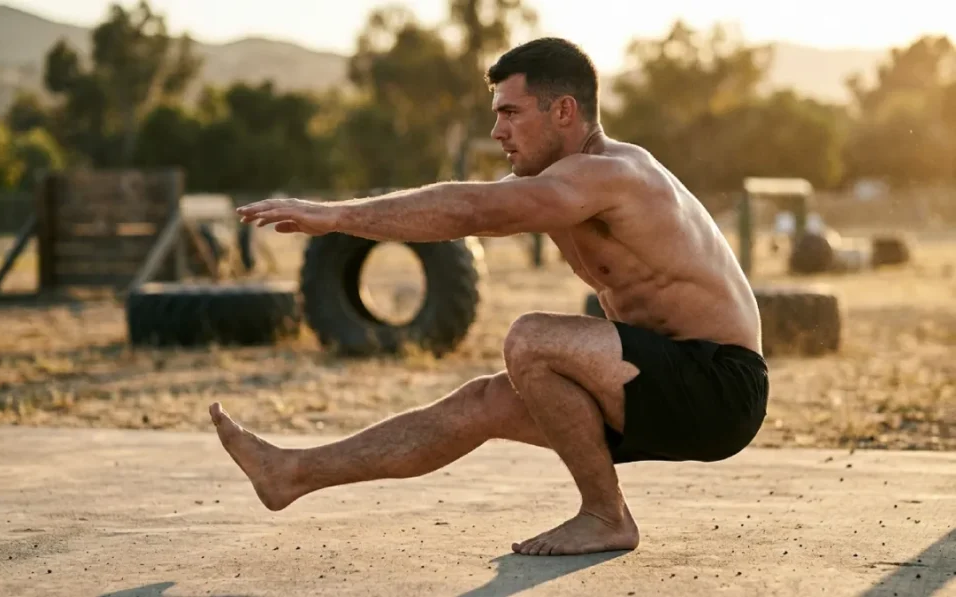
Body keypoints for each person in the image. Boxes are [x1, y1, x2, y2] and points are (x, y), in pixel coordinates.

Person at [209, 37, 769, 556]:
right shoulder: (559, 181)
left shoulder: (611, 176)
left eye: (510, 112)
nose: (498, 131)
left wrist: (336, 217)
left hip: (720, 386)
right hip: (657, 384)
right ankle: (292, 474)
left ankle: (605, 516)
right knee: (485, 403)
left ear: (565, 111)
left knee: (532, 339)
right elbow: (452, 209)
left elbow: (474, 210)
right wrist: (343, 219)